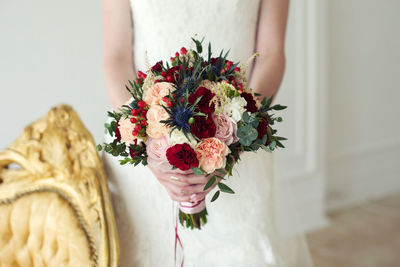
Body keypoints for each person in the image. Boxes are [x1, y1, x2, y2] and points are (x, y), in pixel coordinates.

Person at [102, 0, 314, 266]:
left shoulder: (236, 136)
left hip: (238, 143)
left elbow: (271, 54)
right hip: (148, 144)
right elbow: (117, 57)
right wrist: (148, 142)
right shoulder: (148, 144)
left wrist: (236, 134)